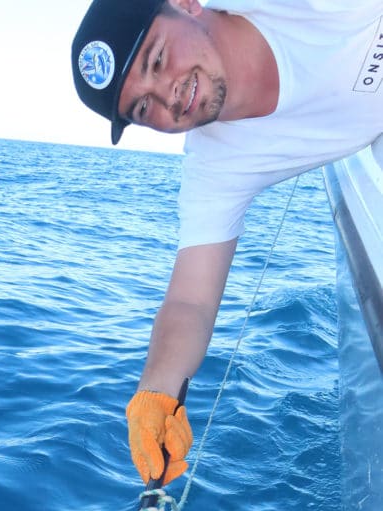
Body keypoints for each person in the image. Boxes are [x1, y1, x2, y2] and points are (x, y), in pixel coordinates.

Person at [71, 0, 383, 485]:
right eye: (142, 107)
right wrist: (156, 392)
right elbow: (189, 301)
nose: (166, 97)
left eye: (156, 59)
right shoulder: (214, 166)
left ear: (185, 5)